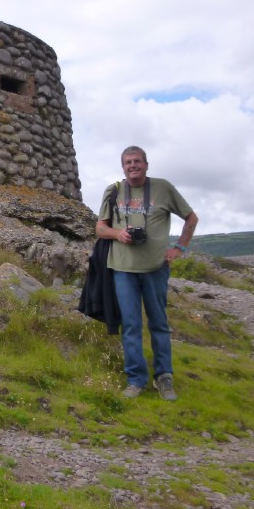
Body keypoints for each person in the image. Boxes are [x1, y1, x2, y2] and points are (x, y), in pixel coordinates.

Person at [95, 146, 198, 400]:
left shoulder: (163, 188)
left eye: (137, 161)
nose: (133, 166)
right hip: (123, 270)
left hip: (155, 269)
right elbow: (99, 228)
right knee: (130, 326)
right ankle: (136, 380)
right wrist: (118, 233)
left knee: (159, 325)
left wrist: (180, 248)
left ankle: (164, 378)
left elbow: (191, 218)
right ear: (123, 167)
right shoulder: (114, 191)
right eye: (128, 162)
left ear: (146, 165)